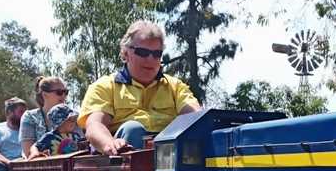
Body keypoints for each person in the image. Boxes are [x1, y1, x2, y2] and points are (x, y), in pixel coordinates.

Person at [78, 20, 201, 156]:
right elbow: (94, 125)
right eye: (142, 52)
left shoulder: (175, 87)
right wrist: (109, 143)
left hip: (171, 156)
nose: (150, 59)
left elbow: (196, 117)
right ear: (125, 54)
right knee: (133, 129)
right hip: (120, 162)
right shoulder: (105, 86)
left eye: (156, 54)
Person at [20, 75, 68, 158]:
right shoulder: (30, 117)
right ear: (45, 94)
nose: (63, 96)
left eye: (66, 92)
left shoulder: (71, 116)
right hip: (40, 167)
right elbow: (28, 152)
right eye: (59, 92)